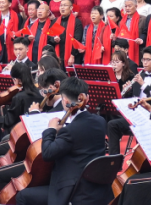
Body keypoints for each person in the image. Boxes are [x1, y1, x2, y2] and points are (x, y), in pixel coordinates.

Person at [12, 76, 111, 205]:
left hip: (72, 191)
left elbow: (47, 153)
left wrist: (51, 130)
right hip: (96, 187)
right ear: (87, 98)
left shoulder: (70, 131)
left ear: (64, 100)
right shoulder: (100, 121)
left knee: (22, 197)